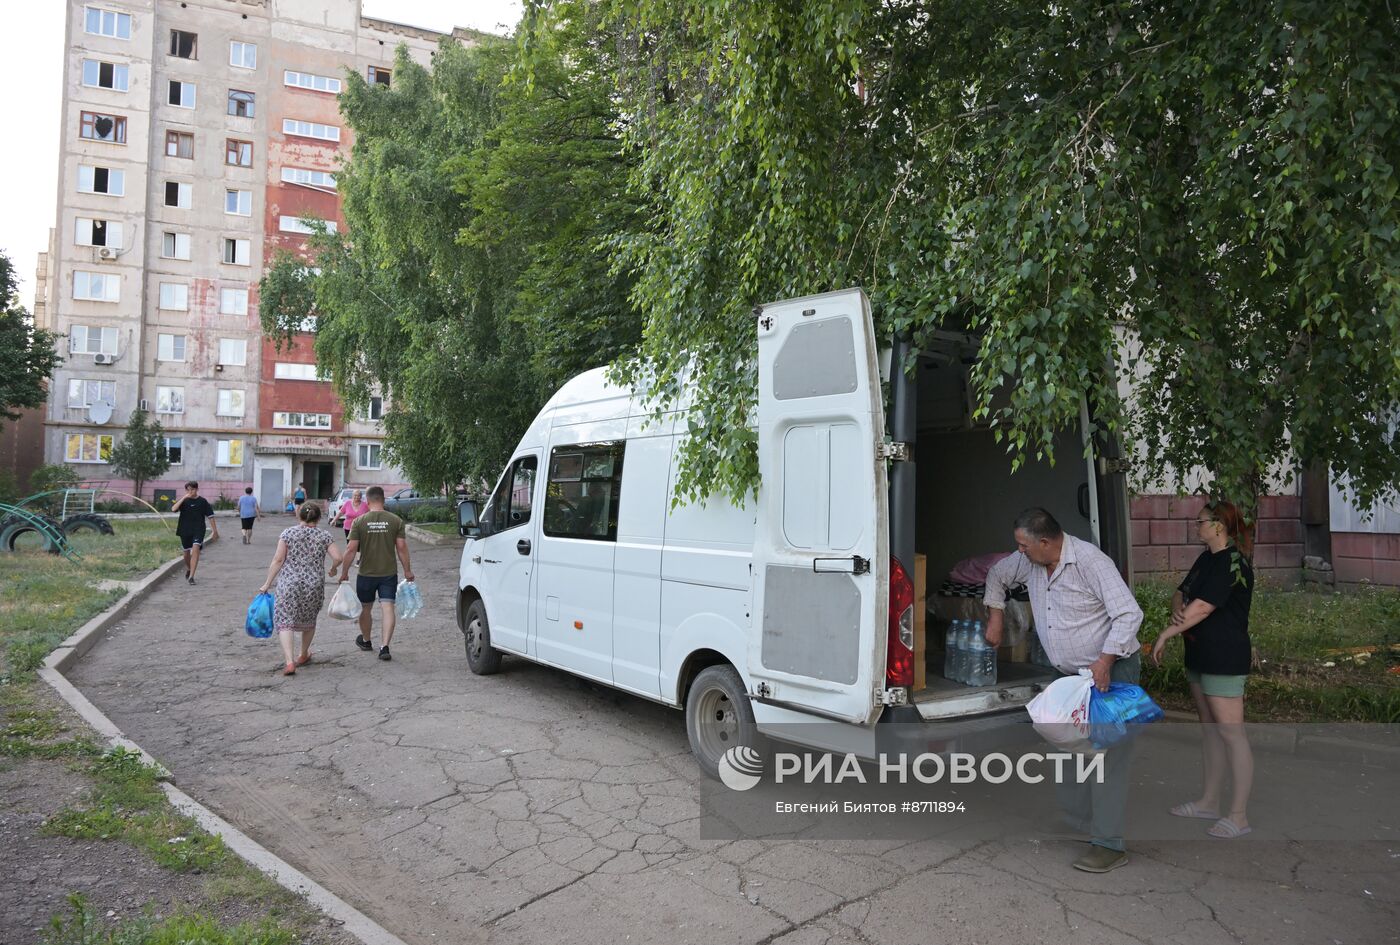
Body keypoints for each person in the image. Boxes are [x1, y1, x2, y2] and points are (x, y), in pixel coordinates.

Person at [984, 507, 1143, 873]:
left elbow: (1129, 614)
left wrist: (1104, 661)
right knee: (1068, 747)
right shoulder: (1029, 562)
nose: (1018, 552)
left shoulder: (1090, 562)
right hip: (1072, 677)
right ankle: (1077, 821)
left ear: (1044, 542)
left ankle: (1109, 844)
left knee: (1107, 756)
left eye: (1023, 545)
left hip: (1111, 670)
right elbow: (997, 575)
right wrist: (995, 614)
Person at [1152, 499, 1255, 839]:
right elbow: (1183, 595)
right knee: (1210, 728)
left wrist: (1168, 631)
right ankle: (1209, 801)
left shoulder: (1233, 562)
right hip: (1199, 654)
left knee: (1231, 733)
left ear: (1219, 525)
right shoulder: (1207, 558)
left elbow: (1205, 606)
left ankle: (1238, 815)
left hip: (1224, 657)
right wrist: (1178, 608)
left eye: (1200, 522)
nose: (1195, 526)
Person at [257, 503, 345, 676]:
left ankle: (290, 662)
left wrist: (267, 583)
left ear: (299, 516)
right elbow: (338, 557)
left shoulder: (288, 533)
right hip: (314, 584)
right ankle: (303, 654)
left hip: (289, 584)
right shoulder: (324, 535)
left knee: (285, 620)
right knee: (309, 618)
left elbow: (278, 559)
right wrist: (334, 568)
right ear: (319, 518)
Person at [338, 486, 414, 661]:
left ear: (367, 501)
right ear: (383, 499)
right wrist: (407, 570)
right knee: (387, 608)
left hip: (366, 573)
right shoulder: (395, 520)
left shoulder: (359, 521)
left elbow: (350, 550)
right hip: (388, 573)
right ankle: (384, 646)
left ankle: (366, 640)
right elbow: (401, 548)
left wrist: (344, 572)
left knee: (365, 608)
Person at [170, 481, 218, 585]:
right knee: (186, 554)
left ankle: (191, 576)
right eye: (188, 490)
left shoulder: (203, 501)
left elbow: (211, 516)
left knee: (196, 549)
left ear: (197, 489)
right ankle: (189, 568)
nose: (190, 491)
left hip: (199, 529)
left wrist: (215, 531)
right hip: (184, 529)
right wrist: (184, 497)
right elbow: (173, 509)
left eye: (192, 489)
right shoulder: (184, 501)